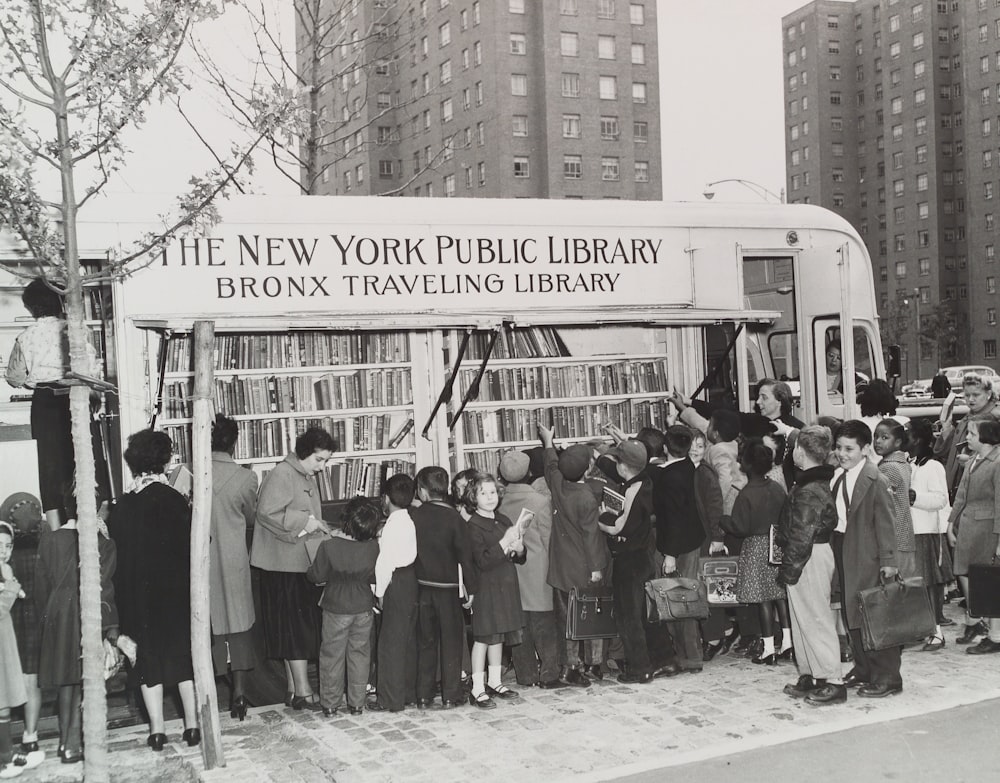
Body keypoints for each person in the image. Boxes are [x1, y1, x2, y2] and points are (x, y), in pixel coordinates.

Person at [109, 429, 199, 750]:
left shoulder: (124, 503)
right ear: (163, 461)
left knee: (147, 660)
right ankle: (191, 727)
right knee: (182, 656)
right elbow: (192, 545)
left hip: (138, 596)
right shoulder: (175, 499)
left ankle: (157, 731)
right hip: (174, 594)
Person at [4, 278, 102, 530]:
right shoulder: (78, 330)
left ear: (30, 307)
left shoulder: (25, 336)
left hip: (45, 403)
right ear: (61, 301)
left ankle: (59, 530)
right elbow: (91, 370)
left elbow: (14, 377)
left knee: (49, 467)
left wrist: (30, 381)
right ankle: (85, 525)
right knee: (80, 461)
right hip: (74, 398)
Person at [250, 426, 334, 712]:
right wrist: (306, 522)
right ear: (304, 453)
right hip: (283, 565)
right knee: (295, 629)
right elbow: (265, 513)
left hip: (292, 562)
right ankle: (303, 692)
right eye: (319, 460)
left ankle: (292, 689)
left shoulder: (300, 474)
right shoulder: (282, 474)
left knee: (290, 628)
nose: (322, 467)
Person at [35, 505, 117, 763]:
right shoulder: (98, 541)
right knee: (83, 676)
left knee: (66, 679)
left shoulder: (50, 538)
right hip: (84, 608)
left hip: (57, 610)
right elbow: (106, 584)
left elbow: (40, 584)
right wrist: (111, 627)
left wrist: (47, 616)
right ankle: (74, 742)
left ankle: (64, 742)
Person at [774, 425, 844, 705]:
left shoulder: (808, 489)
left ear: (801, 452)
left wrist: (789, 569)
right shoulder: (812, 484)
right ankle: (812, 673)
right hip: (811, 554)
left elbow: (802, 535)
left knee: (814, 617)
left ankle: (833, 679)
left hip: (808, 556)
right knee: (803, 616)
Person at [830, 420, 901, 698]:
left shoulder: (876, 479)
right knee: (853, 614)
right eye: (838, 448)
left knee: (876, 615)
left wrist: (889, 561)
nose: (842, 453)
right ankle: (863, 668)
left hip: (869, 556)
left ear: (865, 449)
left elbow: (887, 523)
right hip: (845, 552)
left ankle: (888, 676)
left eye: (849, 448)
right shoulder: (840, 477)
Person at [538, 426, 609, 687]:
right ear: (587, 469)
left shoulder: (557, 486)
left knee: (566, 620)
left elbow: (551, 465)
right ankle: (593, 663)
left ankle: (570, 666)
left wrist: (548, 441)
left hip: (561, 568)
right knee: (591, 617)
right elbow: (592, 537)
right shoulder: (587, 498)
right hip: (584, 569)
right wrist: (596, 568)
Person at [598, 440, 670, 683]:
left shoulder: (632, 491)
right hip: (643, 557)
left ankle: (640, 668)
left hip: (628, 560)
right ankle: (665, 659)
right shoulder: (644, 480)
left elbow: (618, 526)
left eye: (617, 461)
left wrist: (601, 517)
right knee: (647, 613)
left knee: (628, 617)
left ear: (624, 467)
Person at [306, 498, 381, 717]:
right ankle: (357, 703)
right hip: (364, 605)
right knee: (360, 654)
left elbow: (316, 576)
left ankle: (330, 704)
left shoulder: (329, 546)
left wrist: (310, 570)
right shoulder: (373, 547)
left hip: (336, 606)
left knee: (332, 656)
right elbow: (374, 575)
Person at [498, 452, 564, 690]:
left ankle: (525, 675)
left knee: (519, 627)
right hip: (537, 572)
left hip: (510, 573)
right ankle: (549, 673)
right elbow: (548, 540)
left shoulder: (498, 501)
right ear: (528, 473)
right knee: (544, 626)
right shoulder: (540, 501)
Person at [412, 466, 476, 708]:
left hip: (421, 588)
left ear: (422, 492)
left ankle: (423, 695)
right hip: (449, 589)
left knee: (425, 642)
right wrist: (472, 588)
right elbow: (465, 558)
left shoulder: (414, 516)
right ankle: (451, 695)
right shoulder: (455, 518)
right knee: (451, 642)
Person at [722, 441, 791, 666]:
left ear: (746, 465)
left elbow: (741, 527)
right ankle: (789, 644)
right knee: (780, 596)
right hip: (777, 543)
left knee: (763, 599)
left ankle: (768, 648)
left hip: (756, 546)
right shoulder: (777, 487)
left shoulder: (746, 494)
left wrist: (724, 521)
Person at [208, 415, 258, 721]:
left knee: (210, 625)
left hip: (203, 559)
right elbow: (252, 518)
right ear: (234, 442)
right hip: (235, 557)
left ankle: (212, 692)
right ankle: (239, 694)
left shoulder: (191, 473)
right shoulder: (246, 478)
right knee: (239, 625)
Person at [648, 425, 707, 675]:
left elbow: (672, 518)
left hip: (676, 547)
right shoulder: (685, 467)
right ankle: (691, 654)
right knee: (688, 597)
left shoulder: (670, 478)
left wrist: (670, 555)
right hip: (692, 541)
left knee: (677, 599)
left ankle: (687, 656)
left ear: (664, 447)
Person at [464, 472, 525, 709]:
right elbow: (482, 561)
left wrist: (519, 548)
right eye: (483, 493)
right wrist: (504, 542)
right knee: (484, 637)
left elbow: (519, 558)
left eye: (492, 492)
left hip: (506, 584)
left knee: (498, 635)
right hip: (486, 586)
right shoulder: (473, 526)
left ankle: (495, 681)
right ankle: (477, 688)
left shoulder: (503, 520)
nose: (490, 497)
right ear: (473, 497)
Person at [947, 420, 1000, 654]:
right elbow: (961, 495)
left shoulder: (997, 463)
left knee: (988, 581)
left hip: (987, 531)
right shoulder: (973, 461)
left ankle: (995, 635)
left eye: (972, 433)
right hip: (968, 529)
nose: (967, 437)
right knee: (966, 574)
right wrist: (950, 523)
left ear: (986, 437)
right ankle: (976, 620)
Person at [2, 495, 44, 770]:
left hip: (12, 625)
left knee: (8, 689)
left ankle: (8, 750)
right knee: (31, 682)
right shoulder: (45, 545)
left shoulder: (9, 558)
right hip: (33, 621)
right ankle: (31, 736)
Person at [371, 473, 418, 713]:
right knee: (407, 639)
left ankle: (389, 698)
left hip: (395, 582)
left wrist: (380, 592)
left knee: (390, 642)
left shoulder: (391, 527)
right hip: (410, 580)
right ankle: (407, 693)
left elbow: (384, 563)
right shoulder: (409, 520)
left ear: (386, 499)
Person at [908, 418, 953, 652]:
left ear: (918, 439)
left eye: (907, 433)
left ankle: (937, 631)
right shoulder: (908, 464)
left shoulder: (933, 466)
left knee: (931, 583)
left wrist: (914, 497)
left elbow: (940, 499)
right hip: (910, 531)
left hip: (927, 531)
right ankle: (921, 628)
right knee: (916, 584)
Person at [669, 378, 804, 442]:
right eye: (758, 397)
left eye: (764, 398)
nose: (757, 402)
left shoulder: (798, 428)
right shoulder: (755, 420)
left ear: (779, 401)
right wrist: (688, 401)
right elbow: (722, 412)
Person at [934, 373, 1000, 500]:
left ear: (988, 394)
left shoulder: (994, 419)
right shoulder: (969, 416)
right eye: (967, 395)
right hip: (962, 486)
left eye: (976, 395)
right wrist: (947, 428)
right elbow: (952, 451)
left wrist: (972, 462)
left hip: (983, 492)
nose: (970, 399)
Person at [872, 419, 917, 580]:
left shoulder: (887, 468)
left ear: (898, 442)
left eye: (884, 437)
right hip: (905, 537)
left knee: (891, 593)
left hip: (893, 540)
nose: (877, 441)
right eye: (875, 436)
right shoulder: (903, 464)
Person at [0, 522, 27, 779]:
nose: (4, 551)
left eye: (8, 546)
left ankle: (6, 753)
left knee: (4, 701)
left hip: (4, 643)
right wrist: (10, 586)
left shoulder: (5, 570)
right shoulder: (5, 574)